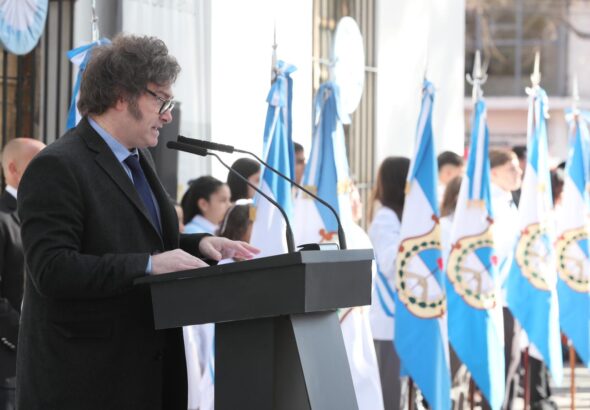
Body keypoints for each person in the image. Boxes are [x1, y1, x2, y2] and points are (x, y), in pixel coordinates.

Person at [15, 35, 258, 410]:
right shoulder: (58, 165)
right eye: (161, 100)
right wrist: (149, 264)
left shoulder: (139, 158)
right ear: (120, 96)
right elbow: (52, 269)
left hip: (147, 375)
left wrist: (199, 244)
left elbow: (137, 239)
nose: (168, 115)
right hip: (86, 384)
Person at [0, 138, 45, 408]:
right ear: (13, 169)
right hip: (10, 362)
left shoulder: (50, 214)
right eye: (39, 164)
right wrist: (26, 334)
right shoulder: (3, 219)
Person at [368, 156, 410, 410]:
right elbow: (390, 263)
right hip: (389, 321)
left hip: (407, 318)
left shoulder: (403, 216)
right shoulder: (386, 217)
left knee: (404, 395)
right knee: (391, 395)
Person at [489, 149, 523, 409]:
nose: (518, 172)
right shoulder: (491, 203)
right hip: (496, 294)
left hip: (511, 293)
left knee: (512, 359)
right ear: (493, 173)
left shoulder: (509, 201)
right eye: (511, 168)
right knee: (501, 361)